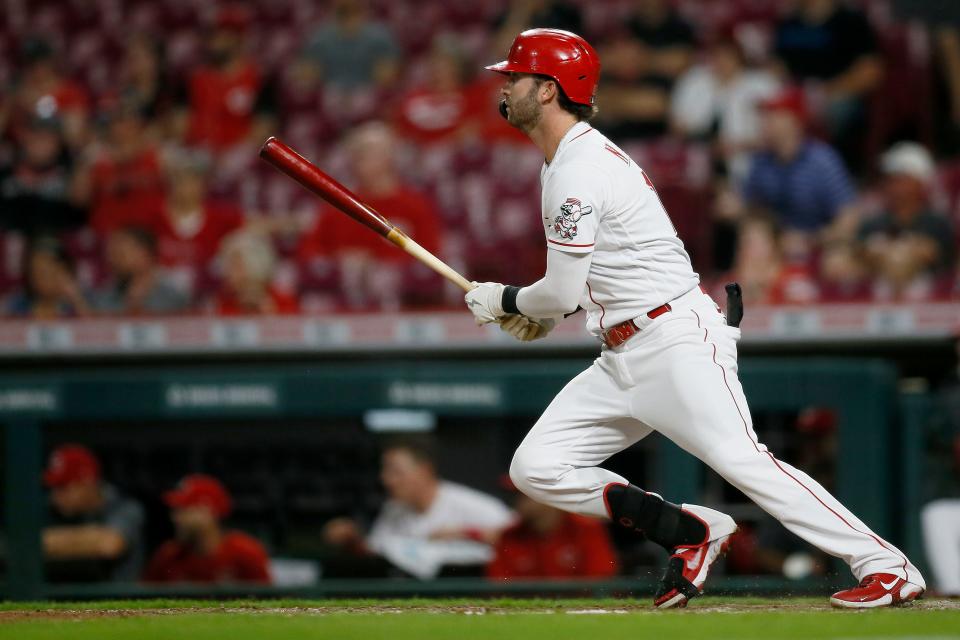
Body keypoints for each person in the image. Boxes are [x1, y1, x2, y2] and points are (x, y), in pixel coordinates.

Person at [465, 28, 926, 609]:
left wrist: (505, 302)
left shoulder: (578, 169)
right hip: (620, 351)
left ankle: (888, 565)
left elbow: (559, 290)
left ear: (550, 90)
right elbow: (578, 288)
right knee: (537, 468)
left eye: (516, 77)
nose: (505, 87)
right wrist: (544, 310)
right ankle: (691, 532)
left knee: (743, 461)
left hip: (673, 338)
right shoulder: (563, 163)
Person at [297, 122, 443, 309]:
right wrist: (341, 263)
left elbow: (432, 260)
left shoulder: (415, 206)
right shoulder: (338, 205)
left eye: (366, 152)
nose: (357, 159)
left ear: (389, 156)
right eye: (356, 153)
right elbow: (309, 255)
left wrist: (379, 265)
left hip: (402, 305)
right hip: (345, 306)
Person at [322, 438, 513, 579]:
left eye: (396, 472)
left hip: (472, 594)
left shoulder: (471, 504)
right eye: (385, 471)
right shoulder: (394, 510)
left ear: (424, 470)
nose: (386, 480)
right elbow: (379, 553)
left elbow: (517, 538)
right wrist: (352, 539)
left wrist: (465, 533)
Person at [741, 86, 859, 244]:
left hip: (818, 248)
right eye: (765, 116)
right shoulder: (762, 161)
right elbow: (753, 209)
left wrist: (810, 241)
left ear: (794, 121)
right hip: (775, 250)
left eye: (773, 116)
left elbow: (848, 218)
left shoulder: (821, 161)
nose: (765, 122)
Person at [772, 0, 882, 168]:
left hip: (838, 92)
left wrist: (827, 91)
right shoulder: (789, 22)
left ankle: (828, 169)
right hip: (795, 93)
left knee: (838, 110)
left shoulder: (851, 20)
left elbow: (870, 71)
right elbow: (776, 65)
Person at [670, 37, 780, 182]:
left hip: (752, 158)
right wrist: (703, 142)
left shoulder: (763, 84)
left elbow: (780, 131)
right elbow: (675, 125)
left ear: (740, 58)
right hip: (699, 155)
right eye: (717, 56)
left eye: (728, 57)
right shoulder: (694, 80)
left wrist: (737, 146)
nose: (722, 62)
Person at [858, 142, 955, 301]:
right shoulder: (873, 223)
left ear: (920, 183)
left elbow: (943, 262)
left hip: (932, 305)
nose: (894, 186)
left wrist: (910, 253)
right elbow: (857, 256)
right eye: (890, 179)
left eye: (902, 179)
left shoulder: (937, 224)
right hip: (876, 303)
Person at [177, 6, 276, 153]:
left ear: (237, 38)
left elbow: (262, 130)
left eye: (221, 35)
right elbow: (180, 123)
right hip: (197, 155)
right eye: (212, 35)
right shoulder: (195, 78)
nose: (214, 42)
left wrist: (229, 155)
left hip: (239, 156)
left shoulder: (259, 79)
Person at [594, 0, 696, 139]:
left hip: (653, 146)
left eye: (628, 49)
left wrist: (614, 102)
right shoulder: (606, 78)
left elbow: (658, 105)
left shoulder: (655, 77)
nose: (622, 55)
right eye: (615, 50)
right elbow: (591, 104)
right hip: (611, 145)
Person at [42, 444, 145, 582]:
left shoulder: (124, 506)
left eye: (63, 487)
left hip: (120, 601)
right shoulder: (54, 511)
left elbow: (109, 545)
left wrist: (48, 542)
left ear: (87, 482)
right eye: (54, 488)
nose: (55, 496)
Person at [144, 474, 271, 584]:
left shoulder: (245, 552)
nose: (175, 518)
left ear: (206, 511)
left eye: (184, 510)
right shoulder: (168, 555)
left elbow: (268, 605)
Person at [487, 477, 618, 580]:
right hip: (530, 612)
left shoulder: (585, 528)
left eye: (524, 495)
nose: (518, 502)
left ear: (549, 495)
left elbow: (602, 582)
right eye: (516, 496)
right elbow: (499, 588)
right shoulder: (510, 536)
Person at [156, 147, 243, 297]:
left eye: (192, 181)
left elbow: (251, 225)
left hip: (208, 291)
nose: (185, 188)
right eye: (180, 181)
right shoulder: (155, 216)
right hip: (162, 292)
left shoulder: (219, 216)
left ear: (202, 185)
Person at [92, 226, 190, 315]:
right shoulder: (106, 295)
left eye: (121, 254)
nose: (113, 261)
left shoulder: (174, 297)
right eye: (112, 254)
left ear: (145, 254)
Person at [213, 229, 298, 315]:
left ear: (257, 265)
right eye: (228, 264)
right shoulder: (224, 302)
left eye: (237, 265)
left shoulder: (283, 301)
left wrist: (269, 311)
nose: (228, 272)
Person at [5, 237, 90, 318]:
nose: (37, 279)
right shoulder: (18, 305)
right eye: (33, 272)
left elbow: (92, 327)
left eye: (44, 273)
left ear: (64, 271)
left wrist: (76, 300)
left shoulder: (84, 300)